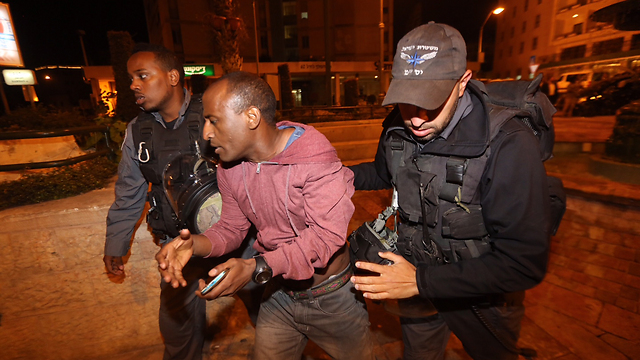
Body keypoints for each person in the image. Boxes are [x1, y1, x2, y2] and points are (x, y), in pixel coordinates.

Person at [349, 22, 550, 360]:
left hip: (485, 298)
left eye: (430, 100)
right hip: (415, 283)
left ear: (462, 83)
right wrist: (337, 174)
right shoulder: (398, 127)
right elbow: (384, 173)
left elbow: (524, 263)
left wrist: (420, 282)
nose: (416, 119)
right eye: (407, 102)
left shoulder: (510, 145)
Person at [155, 71, 374, 360]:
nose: (206, 133)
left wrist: (255, 266)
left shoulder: (315, 161)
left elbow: (324, 239)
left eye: (214, 120)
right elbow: (231, 229)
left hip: (331, 299)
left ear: (251, 117)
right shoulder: (229, 168)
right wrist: (193, 244)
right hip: (279, 294)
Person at [103, 43, 258, 360]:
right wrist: (116, 243)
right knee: (178, 335)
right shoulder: (138, 132)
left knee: (272, 313)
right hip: (180, 246)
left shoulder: (214, 113)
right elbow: (129, 191)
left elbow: (257, 170)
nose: (134, 84)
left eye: (143, 76)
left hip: (238, 238)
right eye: (131, 77)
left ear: (173, 76)